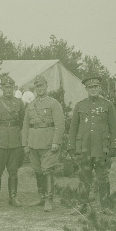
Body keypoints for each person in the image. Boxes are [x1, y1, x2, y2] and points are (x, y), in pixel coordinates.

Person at [68, 75, 116, 205]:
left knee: (103, 176)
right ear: (86, 89)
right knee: (84, 176)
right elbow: (73, 128)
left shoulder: (108, 105)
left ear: (100, 88)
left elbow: (114, 128)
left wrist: (114, 146)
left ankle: (105, 205)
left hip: (102, 147)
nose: (93, 89)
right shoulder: (80, 106)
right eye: (90, 87)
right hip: (84, 147)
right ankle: (82, 205)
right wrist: (71, 146)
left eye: (95, 87)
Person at [22, 75, 65, 211]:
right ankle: (41, 197)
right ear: (35, 89)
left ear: (46, 86)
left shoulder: (54, 103)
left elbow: (60, 124)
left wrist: (56, 142)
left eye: (41, 86)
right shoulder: (30, 105)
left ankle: (49, 200)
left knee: (47, 170)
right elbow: (25, 126)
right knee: (37, 170)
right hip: (33, 142)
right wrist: (25, 144)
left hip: (48, 142)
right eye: (37, 87)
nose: (39, 89)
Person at [0, 75, 26, 208]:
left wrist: (14, 133)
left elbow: (22, 121)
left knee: (13, 170)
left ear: (14, 88)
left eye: (11, 87)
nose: (8, 90)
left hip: (14, 141)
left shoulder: (19, 103)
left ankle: (13, 197)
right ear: (1, 88)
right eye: (6, 87)